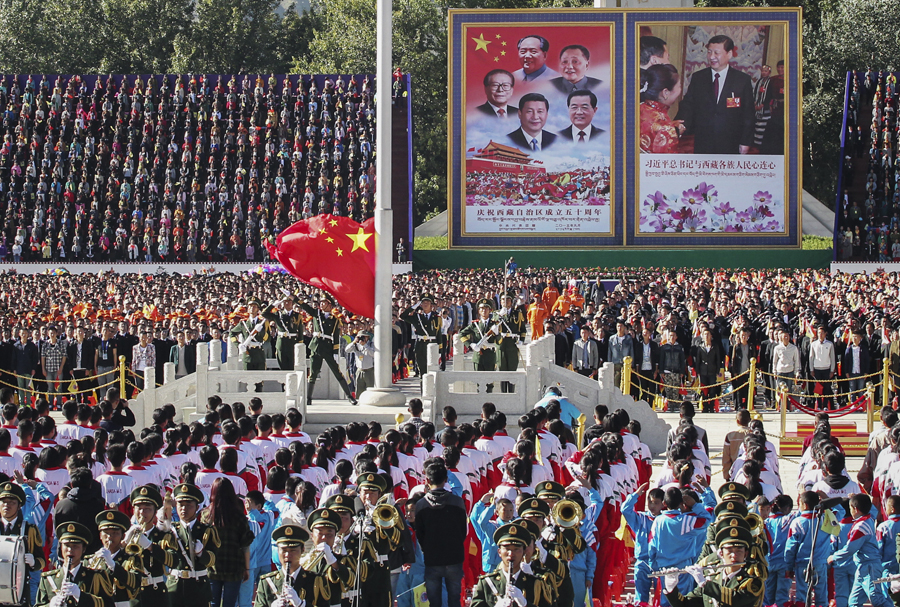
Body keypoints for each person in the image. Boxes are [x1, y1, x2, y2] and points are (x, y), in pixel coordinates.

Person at [674, 35, 755, 154]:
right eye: (709, 52)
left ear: (729, 54)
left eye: (716, 53)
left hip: (731, 142)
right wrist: (680, 125)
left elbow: (748, 114)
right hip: (703, 140)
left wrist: (746, 142)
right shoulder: (698, 77)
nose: (711, 57)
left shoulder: (742, 80)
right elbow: (688, 104)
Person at [662, 520, 763, 607]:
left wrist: (705, 584)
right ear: (721, 553)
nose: (734, 555)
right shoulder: (712, 578)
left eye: (739, 551)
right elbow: (685, 604)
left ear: (746, 554)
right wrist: (672, 589)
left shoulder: (753, 581)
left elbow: (736, 600)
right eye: (729, 551)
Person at [414, 461, 468, 607]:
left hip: (432, 558)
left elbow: (420, 533)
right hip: (454, 557)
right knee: (454, 599)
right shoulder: (457, 502)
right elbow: (463, 531)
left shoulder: (421, 505)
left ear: (427, 480)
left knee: (434, 600)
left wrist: (428, 549)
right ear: (445, 480)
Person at [827, 493, 891, 607]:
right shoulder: (869, 518)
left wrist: (834, 557)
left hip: (869, 566)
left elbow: (850, 548)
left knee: (877, 600)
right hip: (862, 567)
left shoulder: (861, 526)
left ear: (855, 509)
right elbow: (872, 509)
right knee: (854, 602)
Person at [470, 523, 552, 607]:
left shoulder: (535, 584)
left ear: (524, 552)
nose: (511, 554)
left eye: (516, 549)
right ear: (499, 552)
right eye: (507, 549)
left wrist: (525, 604)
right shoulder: (486, 583)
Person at [35, 522, 114, 607]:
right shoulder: (48, 580)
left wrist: (81, 596)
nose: (70, 550)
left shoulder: (96, 577)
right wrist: (50, 605)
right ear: (61, 547)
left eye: (75, 546)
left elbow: (109, 605)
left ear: (83, 549)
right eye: (66, 545)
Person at [167, 483, 221, 607]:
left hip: (198, 587)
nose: (183, 509)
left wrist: (201, 553)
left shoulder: (205, 530)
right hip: (175, 586)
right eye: (180, 505)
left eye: (188, 505)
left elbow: (212, 561)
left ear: (197, 507)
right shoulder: (170, 531)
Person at [298, 295, 356, 405]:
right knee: (313, 373)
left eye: (324, 303)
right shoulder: (316, 314)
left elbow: (335, 337)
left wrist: (335, 352)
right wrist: (293, 298)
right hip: (316, 346)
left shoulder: (334, 319)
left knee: (338, 373)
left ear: (330, 305)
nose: (322, 304)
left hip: (328, 348)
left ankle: (349, 397)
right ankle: (309, 398)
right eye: (321, 302)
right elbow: (305, 306)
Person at [784, 491, 831, 607]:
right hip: (821, 564)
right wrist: (826, 499)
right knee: (821, 597)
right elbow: (841, 511)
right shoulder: (826, 519)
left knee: (802, 596)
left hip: (802, 564)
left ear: (804, 505)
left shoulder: (797, 522)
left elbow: (790, 548)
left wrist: (789, 567)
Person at [0, 481, 45, 600]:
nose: (6, 506)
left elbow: (42, 560)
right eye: (3, 502)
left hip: (19, 590)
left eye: (12, 503)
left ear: (19, 506)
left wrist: (33, 562)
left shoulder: (29, 529)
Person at [90, 510, 143, 606]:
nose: (109, 537)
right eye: (106, 533)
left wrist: (113, 565)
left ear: (122, 536)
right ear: (100, 536)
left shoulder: (131, 559)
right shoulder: (91, 560)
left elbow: (135, 583)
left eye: (115, 533)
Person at [458, 299, 498, 392]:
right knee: (479, 382)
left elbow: (499, 341)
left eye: (486, 308)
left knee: (489, 383)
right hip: (478, 357)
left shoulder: (494, 324)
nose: (484, 310)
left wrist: (497, 333)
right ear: (479, 311)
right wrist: (470, 344)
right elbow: (461, 334)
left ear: (490, 310)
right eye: (482, 309)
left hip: (490, 356)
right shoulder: (475, 324)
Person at [400, 295, 442, 378]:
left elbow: (438, 334)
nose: (425, 304)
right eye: (423, 303)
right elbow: (403, 316)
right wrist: (415, 306)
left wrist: (440, 350)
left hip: (432, 344)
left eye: (428, 303)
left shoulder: (436, 318)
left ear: (431, 305)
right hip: (420, 345)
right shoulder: (417, 317)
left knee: (432, 369)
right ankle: (423, 389)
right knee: (422, 370)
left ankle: (432, 388)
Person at [493, 293, 526, 393]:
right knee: (502, 370)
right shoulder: (496, 313)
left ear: (511, 302)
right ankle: (504, 393)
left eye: (508, 300)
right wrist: (500, 316)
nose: (505, 301)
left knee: (512, 370)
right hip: (501, 344)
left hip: (512, 344)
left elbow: (522, 329)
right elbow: (492, 327)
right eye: (503, 299)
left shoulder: (517, 314)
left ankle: (511, 392)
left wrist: (521, 341)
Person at [262, 295, 303, 372]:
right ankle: (284, 384)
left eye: (289, 301)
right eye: (285, 302)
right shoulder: (278, 314)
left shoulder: (297, 315)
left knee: (292, 366)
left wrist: (300, 344)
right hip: (281, 343)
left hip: (292, 343)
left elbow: (300, 331)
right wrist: (274, 305)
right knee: (283, 367)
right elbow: (264, 313)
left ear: (292, 303)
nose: (287, 303)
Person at [229, 299, 270, 371]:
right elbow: (232, 333)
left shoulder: (263, 323)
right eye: (250, 306)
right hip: (248, 354)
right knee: (248, 379)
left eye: (254, 306)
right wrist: (238, 344)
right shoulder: (243, 323)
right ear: (248, 309)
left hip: (259, 354)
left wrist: (261, 331)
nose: (252, 308)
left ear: (258, 309)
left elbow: (268, 338)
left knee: (259, 379)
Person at [346, 331, 375, 398]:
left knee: (370, 389)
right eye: (360, 337)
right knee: (359, 390)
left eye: (363, 337)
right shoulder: (356, 345)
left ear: (367, 337)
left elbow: (373, 354)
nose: (361, 338)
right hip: (359, 370)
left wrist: (365, 345)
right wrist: (354, 342)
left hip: (369, 370)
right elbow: (347, 350)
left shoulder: (371, 345)